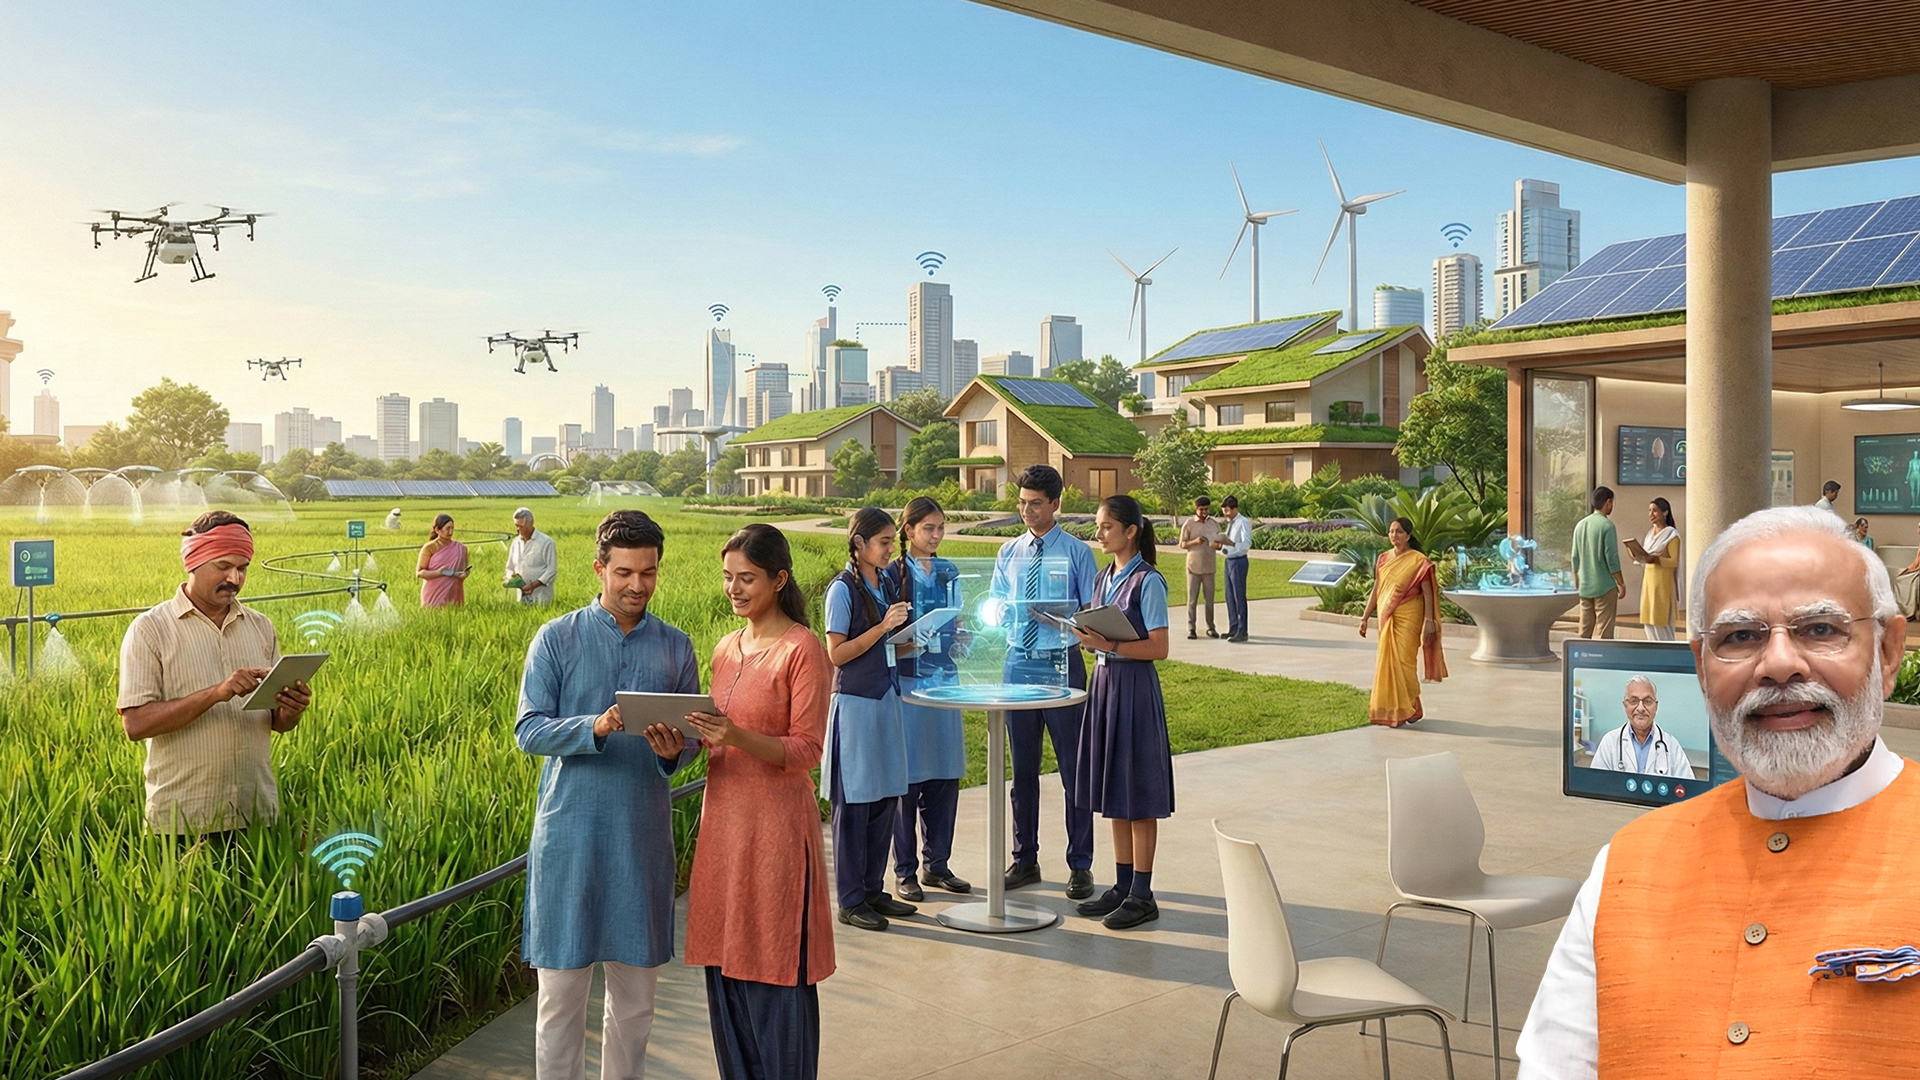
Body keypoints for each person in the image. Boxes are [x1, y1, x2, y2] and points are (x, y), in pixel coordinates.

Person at [1517, 506, 1919, 1076]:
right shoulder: (1627, 865)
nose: (1779, 665)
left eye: (1821, 629)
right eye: (1740, 637)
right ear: (1702, 668)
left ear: (1886, 651)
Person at [514, 510, 700, 1080]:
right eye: (624, 572)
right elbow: (528, 730)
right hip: (569, 837)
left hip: (640, 839)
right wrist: (593, 727)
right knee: (560, 1004)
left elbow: (691, 743)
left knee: (637, 1006)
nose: (636, 585)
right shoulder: (556, 637)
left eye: (647, 573)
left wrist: (672, 748)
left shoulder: (675, 647)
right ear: (599, 569)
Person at [677, 524, 835, 1080]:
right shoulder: (725, 647)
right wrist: (681, 735)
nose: (735, 589)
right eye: (728, 578)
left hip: (776, 835)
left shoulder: (803, 650)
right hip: (723, 829)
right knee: (726, 965)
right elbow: (715, 732)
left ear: (779, 579)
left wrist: (735, 735)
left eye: (747, 578)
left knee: (774, 964)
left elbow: (808, 748)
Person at [117, 511, 312, 836]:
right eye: (223, 567)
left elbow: (279, 724)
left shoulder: (260, 626)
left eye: (242, 568)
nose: (234, 578)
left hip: (257, 812)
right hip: (184, 818)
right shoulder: (150, 630)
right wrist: (216, 693)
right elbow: (136, 725)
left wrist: (292, 708)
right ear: (193, 562)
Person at [992, 464, 1101, 900]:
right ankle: (1025, 859)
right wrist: (1005, 614)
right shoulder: (1009, 552)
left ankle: (1080, 865)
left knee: (1074, 770)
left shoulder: (1077, 553)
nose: (1026, 511)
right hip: (1018, 664)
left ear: (1056, 504)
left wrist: (1062, 619)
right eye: (1021, 503)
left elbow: (1092, 612)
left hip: (1062, 664)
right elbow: (997, 604)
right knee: (1022, 771)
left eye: (1035, 504)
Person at [1069, 495, 1174, 930]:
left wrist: (1105, 644)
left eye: (1106, 526)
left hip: (1133, 689)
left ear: (1130, 531)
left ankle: (1143, 894)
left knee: (1139, 794)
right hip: (1106, 685)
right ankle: (1122, 884)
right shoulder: (1100, 578)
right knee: (1114, 789)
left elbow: (1159, 648)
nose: (1099, 533)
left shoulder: (1149, 582)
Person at [821, 507, 916, 931]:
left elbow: (890, 647)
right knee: (854, 803)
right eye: (883, 542)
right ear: (858, 544)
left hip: (886, 697)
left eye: (892, 541)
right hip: (856, 704)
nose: (890, 549)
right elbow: (837, 654)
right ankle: (851, 898)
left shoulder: (887, 581)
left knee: (885, 799)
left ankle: (874, 890)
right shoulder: (841, 590)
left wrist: (918, 638)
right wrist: (883, 628)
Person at [889, 497, 972, 902]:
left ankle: (937, 864)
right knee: (908, 779)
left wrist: (962, 641)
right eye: (929, 529)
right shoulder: (892, 574)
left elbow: (956, 622)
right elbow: (883, 638)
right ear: (909, 531)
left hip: (946, 682)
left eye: (941, 528)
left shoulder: (948, 571)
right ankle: (905, 871)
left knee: (944, 775)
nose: (937, 536)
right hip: (908, 687)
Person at [1358, 517, 1447, 726]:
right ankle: (1400, 711)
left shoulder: (1419, 561)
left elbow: (1427, 593)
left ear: (1408, 535)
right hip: (1387, 617)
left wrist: (1429, 621)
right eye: (1391, 531)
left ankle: (1408, 706)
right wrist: (1365, 617)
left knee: (1405, 663)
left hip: (1410, 615)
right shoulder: (1382, 559)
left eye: (1398, 532)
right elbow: (1377, 590)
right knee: (1388, 663)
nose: (1393, 536)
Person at [1586, 676, 1693, 778]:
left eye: (1647, 701)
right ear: (1625, 705)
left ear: (1656, 706)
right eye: (1634, 701)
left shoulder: (1672, 745)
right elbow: (1597, 785)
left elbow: (1688, 790)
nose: (1641, 708)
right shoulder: (1609, 742)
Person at [1571, 486, 1626, 639]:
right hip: (1605, 586)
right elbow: (1612, 559)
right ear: (1608, 502)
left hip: (1585, 586)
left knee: (1585, 629)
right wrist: (1621, 583)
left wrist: (1577, 582)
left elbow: (1575, 558)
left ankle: (1580, 656)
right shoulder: (1607, 526)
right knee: (1604, 630)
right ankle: (1604, 660)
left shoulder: (1580, 525)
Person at [1631, 498, 1680, 641]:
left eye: (1655, 510)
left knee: (1660, 622)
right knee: (1649, 622)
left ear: (1665, 512)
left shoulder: (1671, 534)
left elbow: (1674, 561)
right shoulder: (1650, 534)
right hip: (1649, 583)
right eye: (1649, 510)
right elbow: (1644, 558)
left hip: (1662, 584)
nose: (1651, 514)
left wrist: (1657, 559)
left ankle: (1668, 655)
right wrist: (1634, 553)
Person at [1178, 495, 1224, 639]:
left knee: (1209, 600)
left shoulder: (1214, 524)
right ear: (1196, 509)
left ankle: (1211, 627)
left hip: (1209, 567)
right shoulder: (1189, 524)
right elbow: (1182, 544)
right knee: (1192, 599)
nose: (1204, 512)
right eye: (1201, 509)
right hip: (1193, 567)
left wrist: (1214, 544)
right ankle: (1191, 628)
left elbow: (1220, 544)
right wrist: (1195, 542)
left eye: (1206, 509)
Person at [416, 512, 470, 608]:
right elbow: (419, 573)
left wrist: (464, 574)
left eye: (452, 528)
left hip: (453, 591)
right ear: (437, 530)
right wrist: (439, 572)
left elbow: (462, 570)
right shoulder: (430, 547)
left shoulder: (461, 548)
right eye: (447, 529)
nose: (450, 532)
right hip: (433, 594)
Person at [506, 507, 558, 605]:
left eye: (521, 526)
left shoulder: (546, 542)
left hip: (541, 599)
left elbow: (552, 571)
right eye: (516, 526)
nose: (518, 529)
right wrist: (511, 578)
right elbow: (509, 567)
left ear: (530, 523)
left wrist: (533, 586)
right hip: (520, 599)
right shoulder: (515, 543)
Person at [1219, 494, 1253, 643]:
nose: (1226, 514)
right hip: (1229, 561)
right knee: (1229, 595)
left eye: (1227, 511)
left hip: (1238, 561)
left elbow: (1246, 543)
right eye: (1224, 511)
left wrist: (1231, 548)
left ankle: (1242, 630)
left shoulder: (1243, 522)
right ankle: (1233, 627)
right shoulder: (1230, 523)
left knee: (1239, 596)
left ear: (1235, 509)